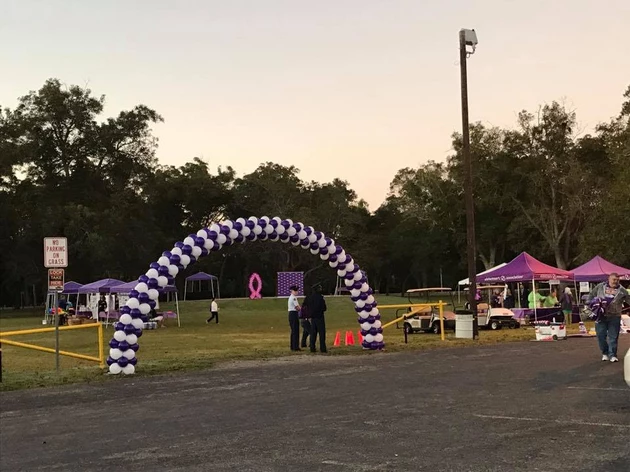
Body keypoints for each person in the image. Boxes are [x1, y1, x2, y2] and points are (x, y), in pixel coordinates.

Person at [587, 273, 630, 362]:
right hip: (600, 316)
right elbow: (591, 295)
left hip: (615, 316)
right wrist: (590, 304)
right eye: (614, 279)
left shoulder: (622, 290)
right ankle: (605, 353)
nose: (616, 282)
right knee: (601, 336)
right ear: (609, 279)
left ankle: (612, 355)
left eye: (617, 280)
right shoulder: (600, 286)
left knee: (613, 337)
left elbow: (628, 300)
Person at [303, 284, 327, 353]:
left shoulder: (309, 297)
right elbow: (324, 308)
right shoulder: (320, 298)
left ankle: (312, 348)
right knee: (322, 333)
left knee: (313, 333)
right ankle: (323, 348)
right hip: (320, 317)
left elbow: (304, 305)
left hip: (312, 317)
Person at [287, 285, 301, 351]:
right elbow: (297, 307)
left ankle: (293, 346)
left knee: (293, 331)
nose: (296, 292)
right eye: (295, 290)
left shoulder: (291, 297)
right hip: (294, 314)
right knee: (295, 330)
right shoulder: (294, 298)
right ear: (292, 291)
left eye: (297, 290)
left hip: (291, 314)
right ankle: (295, 346)